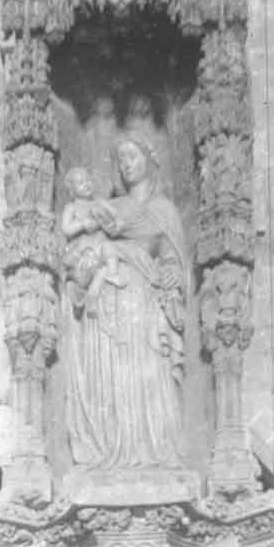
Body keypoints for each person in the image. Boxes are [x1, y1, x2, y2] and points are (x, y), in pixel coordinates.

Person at [61, 133, 188, 472]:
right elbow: (85, 251)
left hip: (144, 301)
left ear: (149, 159)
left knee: (146, 378)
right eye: (120, 159)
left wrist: (174, 274)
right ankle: (109, 450)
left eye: (132, 156)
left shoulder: (163, 210)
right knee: (113, 383)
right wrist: (87, 270)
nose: (127, 164)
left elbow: (173, 257)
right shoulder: (108, 208)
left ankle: (154, 452)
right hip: (106, 308)